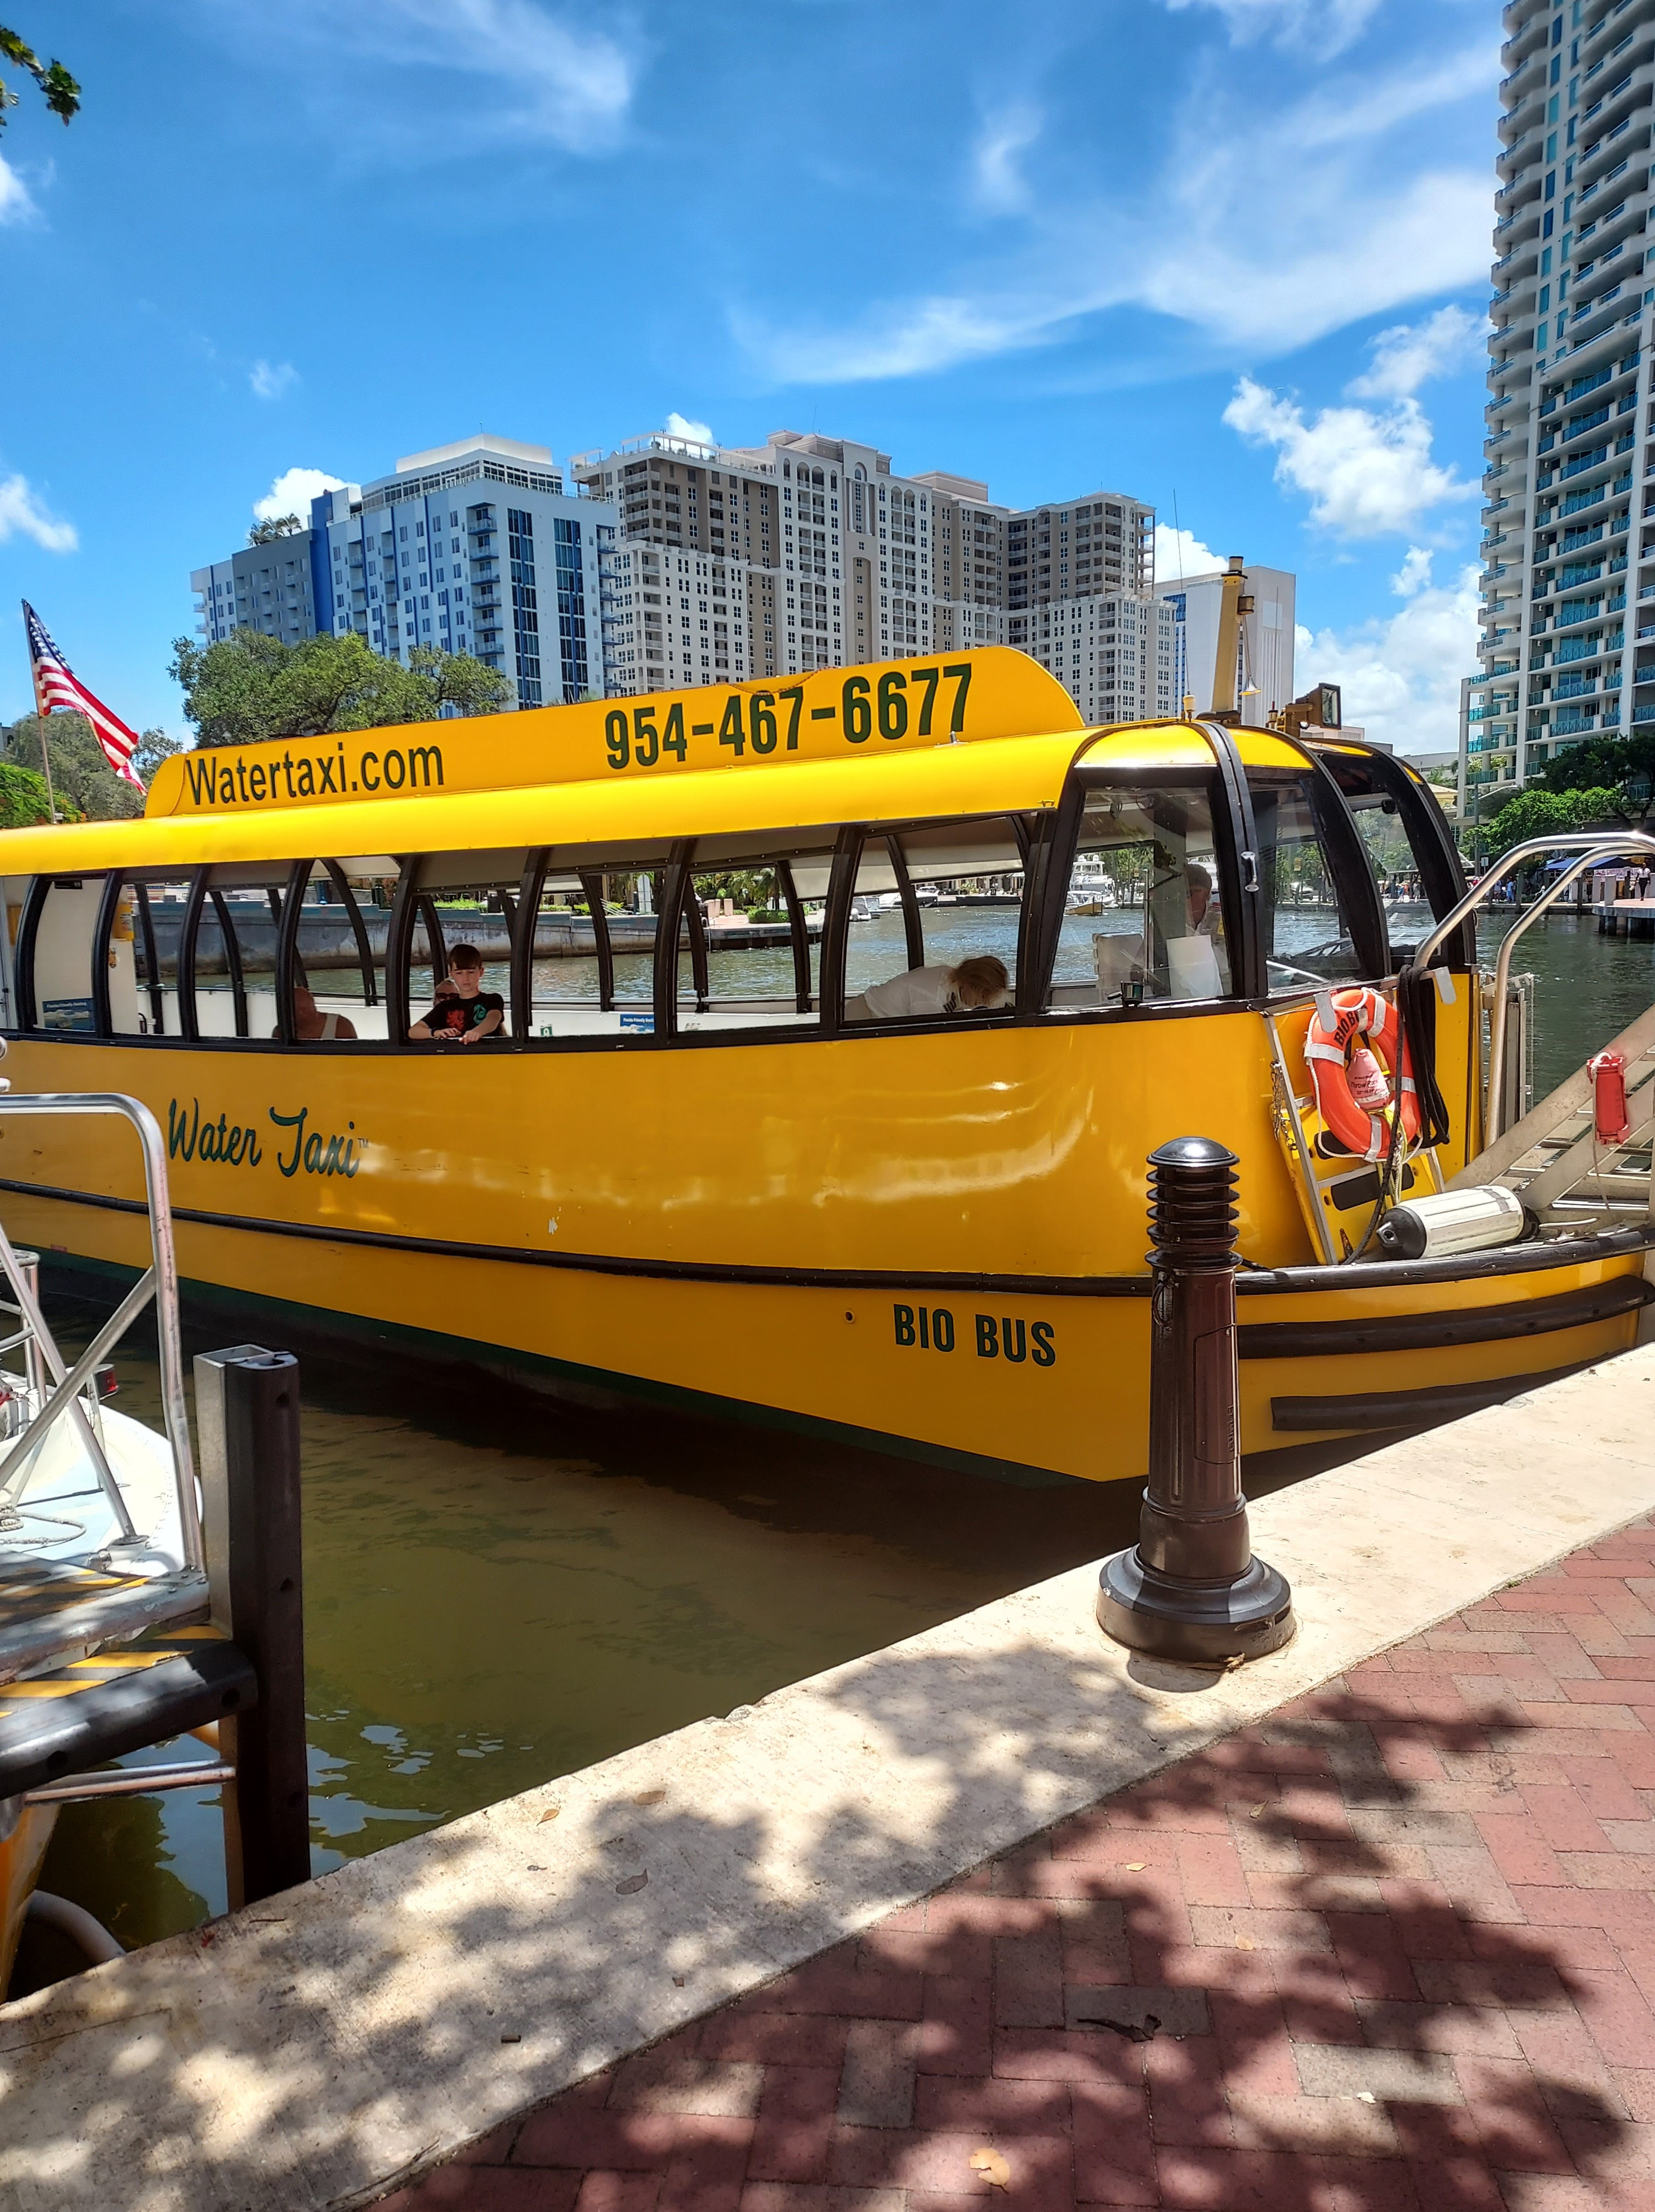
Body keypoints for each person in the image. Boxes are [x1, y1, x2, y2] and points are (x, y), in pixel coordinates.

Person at [846, 954, 1010, 1022]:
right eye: (982, 998)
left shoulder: (950, 978)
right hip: (865, 1016)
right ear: (972, 986)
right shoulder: (931, 997)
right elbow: (926, 1040)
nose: (980, 1003)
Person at [410, 945, 505, 1044]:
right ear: (451, 974)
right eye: (459, 973)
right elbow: (413, 1032)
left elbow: (493, 1019)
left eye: (471, 972)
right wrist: (436, 1033)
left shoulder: (492, 1000)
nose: (466, 978)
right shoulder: (445, 1007)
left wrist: (477, 1032)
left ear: (481, 972)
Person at [274, 983, 358, 1042]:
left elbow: (353, 1058)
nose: (304, 1012)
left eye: (307, 1008)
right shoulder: (281, 1031)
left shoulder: (341, 1026)